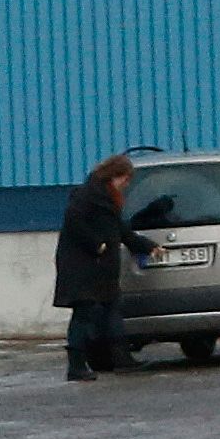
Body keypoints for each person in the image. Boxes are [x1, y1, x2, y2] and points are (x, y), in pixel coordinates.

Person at [53, 154, 154, 381]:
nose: (126, 185)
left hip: (100, 267)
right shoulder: (89, 195)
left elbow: (122, 231)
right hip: (83, 266)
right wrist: (96, 245)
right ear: (115, 176)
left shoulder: (105, 197)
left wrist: (147, 247)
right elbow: (74, 221)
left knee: (111, 309)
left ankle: (121, 359)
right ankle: (76, 365)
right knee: (83, 313)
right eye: (126, 180)